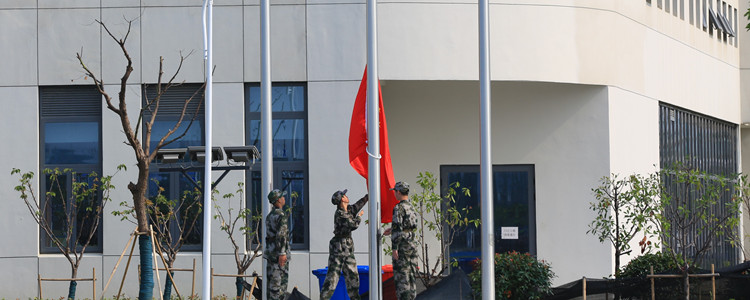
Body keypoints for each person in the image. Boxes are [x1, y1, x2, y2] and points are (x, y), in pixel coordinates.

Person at [320, 189, 369, 300]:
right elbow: (353, 225)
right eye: (345, 195)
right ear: (342, 199)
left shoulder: (349, 210)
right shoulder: (340, 214)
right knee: (333, 277)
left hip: (348, 248)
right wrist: (360, 216)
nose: (347, 196)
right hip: (338, 248)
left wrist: (367, 196)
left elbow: (358, 205)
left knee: (353, 277)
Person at [383, 181, 419, 300]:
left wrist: (394, 249)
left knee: (402, 279)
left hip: (402, 247)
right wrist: (393, 230)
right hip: (412, 244)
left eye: (395, 191)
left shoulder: (398, 207)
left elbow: (398, 228)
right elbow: (409, 226)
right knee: (412, 277)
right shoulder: (411, 206)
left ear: (398, 192)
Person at [266, 189, 290, 300]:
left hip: (271, 253)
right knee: (279, 286)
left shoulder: (270, 215)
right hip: (278, 255)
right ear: (278, 200)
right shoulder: (281, 215)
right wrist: (282, 252)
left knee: (271, 285)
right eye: (282, 197)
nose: (284, 198)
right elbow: (281, 235)